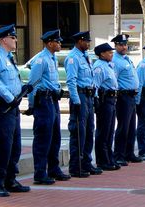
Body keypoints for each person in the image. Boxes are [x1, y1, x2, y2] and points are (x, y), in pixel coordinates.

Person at [0, 24, 32, 197]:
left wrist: (21, 91)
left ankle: (11, 179)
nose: (16, 40)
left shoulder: (9, 57)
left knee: (15, 145)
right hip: (2, 106)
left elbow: (12, 80)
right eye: (13, 37)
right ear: (4, 39)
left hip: (13, 106)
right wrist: (10, 98)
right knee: (3, 145)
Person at [24, 29, 71, 184]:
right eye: (57, 42)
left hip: (52, 100)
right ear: (50, 43)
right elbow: (32, 84)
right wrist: (31, 105)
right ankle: (40, 173)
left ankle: (53, 169)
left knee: (55, 136)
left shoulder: (52, 58)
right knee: (43, 138)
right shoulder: (40, 60)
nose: (60, 44)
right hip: (43, 101)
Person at [65, 31, 102, 177]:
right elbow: (71, 81)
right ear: (79, 41)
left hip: (89, 95)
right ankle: (76, 166)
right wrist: (76, 100)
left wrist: (95, 96)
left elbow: (91, 79)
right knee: (79, 132)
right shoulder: (73, 58)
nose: (88, 43)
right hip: (80, 95)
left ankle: (86, 162)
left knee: (89, 131)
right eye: (86, 41)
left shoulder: (86, 57)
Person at [112, 34, 142, 165]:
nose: (124, 47)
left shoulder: (126, 59)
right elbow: (114, 80)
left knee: (131, 127)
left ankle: (129, 153)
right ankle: (119, 154)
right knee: (123, 127)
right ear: (116, 46)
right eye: (121, 45)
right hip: (123, 96)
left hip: (131, 96)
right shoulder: (115, 60)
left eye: (125, 44)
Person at [93, 43, 121, 171]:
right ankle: (102, 160)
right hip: (104, 100)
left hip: (112, 99)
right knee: (103, 132)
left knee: (110, 132)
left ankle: (109, 158)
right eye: (109, 52)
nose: (112, 54)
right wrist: (97, 102)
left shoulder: (108, 65)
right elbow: (96, 86)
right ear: (102, 54)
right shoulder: (99, 67)